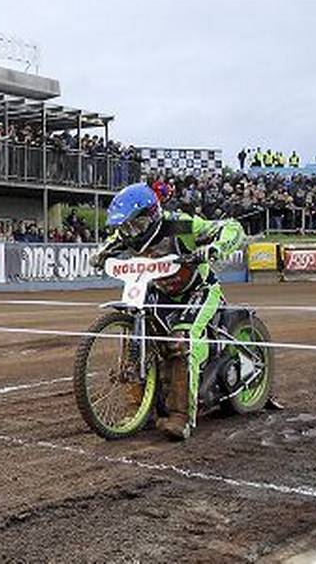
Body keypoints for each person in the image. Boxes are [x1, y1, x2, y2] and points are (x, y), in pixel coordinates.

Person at [91, 183, 244, 441]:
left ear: (151, 215)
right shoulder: (125, 235)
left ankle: (180, 417)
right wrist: (99, 256)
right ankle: (140, 408)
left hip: (197, 289)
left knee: (180, 341)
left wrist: (215, 248)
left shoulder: (181, 225)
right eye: (124, 228)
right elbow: (108, 245)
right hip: (158, 291)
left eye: (135, 226)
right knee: (137, 340)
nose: (130, 233)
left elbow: (232, 227)